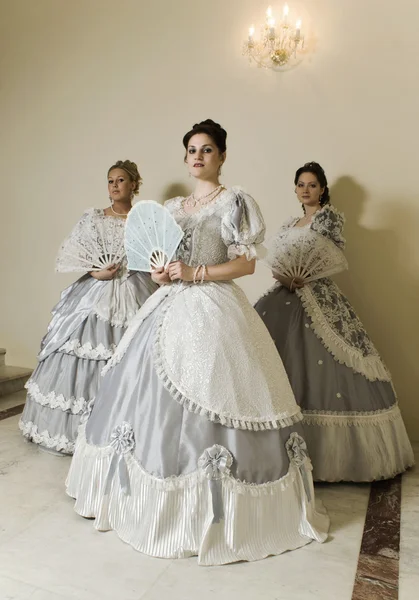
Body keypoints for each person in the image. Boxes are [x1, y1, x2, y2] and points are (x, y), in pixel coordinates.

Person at [66, 121, 329, 566]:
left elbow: (246, 265)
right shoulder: (171, 206)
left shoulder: (235, 201)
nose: (198, 156)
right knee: (139, 388)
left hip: (215, 306)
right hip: (168, 304)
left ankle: (214, 508)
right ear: (185, 156)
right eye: (192, 149)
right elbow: (157, 266)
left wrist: (196, 273)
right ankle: (143, 500)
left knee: (218, 386)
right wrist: (163, 273)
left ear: (222, 156)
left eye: (207, 150)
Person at [255, 161, 414, 482]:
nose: (305, 189)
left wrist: (305, 276)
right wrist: (284, 276)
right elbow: (279, 259)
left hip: (317, 296)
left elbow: (328, 257)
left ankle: (333, 459)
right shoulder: (290, 222)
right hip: (284, 295)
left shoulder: (328, 218)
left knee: (329, 364)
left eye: (312, 184)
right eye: (301, 184)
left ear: (323, 189)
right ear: (295, 188)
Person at [20, 160, 158, 455]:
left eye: (120, 180)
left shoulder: (144, 219)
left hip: (135, 287)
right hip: (97, 290)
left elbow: (152, 257)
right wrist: (97, 272)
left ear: (134, 184)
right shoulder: (95, 218)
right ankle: (75, 431)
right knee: (82, 350)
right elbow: (82, 254)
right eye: (110, 181)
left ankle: (124, 430)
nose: (114, 186)